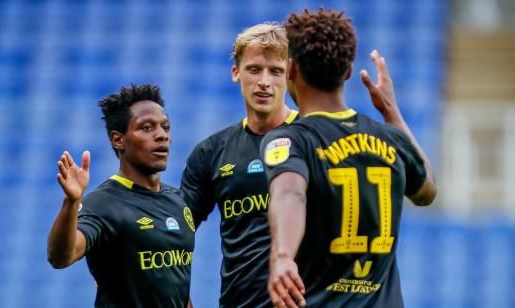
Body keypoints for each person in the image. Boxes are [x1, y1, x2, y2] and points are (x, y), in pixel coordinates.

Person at [261, 8, 437, 308]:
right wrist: (392, 113)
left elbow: (290, 192)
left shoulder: (291, 140)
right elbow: (427, 191)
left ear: (291, 69)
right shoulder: (391, 139)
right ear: (348, 72)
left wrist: (282, 256)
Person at [180, 23, 297, 307]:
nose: (264, 82)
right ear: (236, 74)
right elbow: (173, 234)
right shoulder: (211, 152)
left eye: (275, 71)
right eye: (254, 69)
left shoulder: (316, 139)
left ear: (290, 74)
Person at [47, 84, 195, 308]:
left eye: (166, 127)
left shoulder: (177, 201)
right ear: (118, 140)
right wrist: (71, 203)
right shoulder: (103, 203)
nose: (162, 136)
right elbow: (61, 257)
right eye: (147, 127)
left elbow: (176, 289)